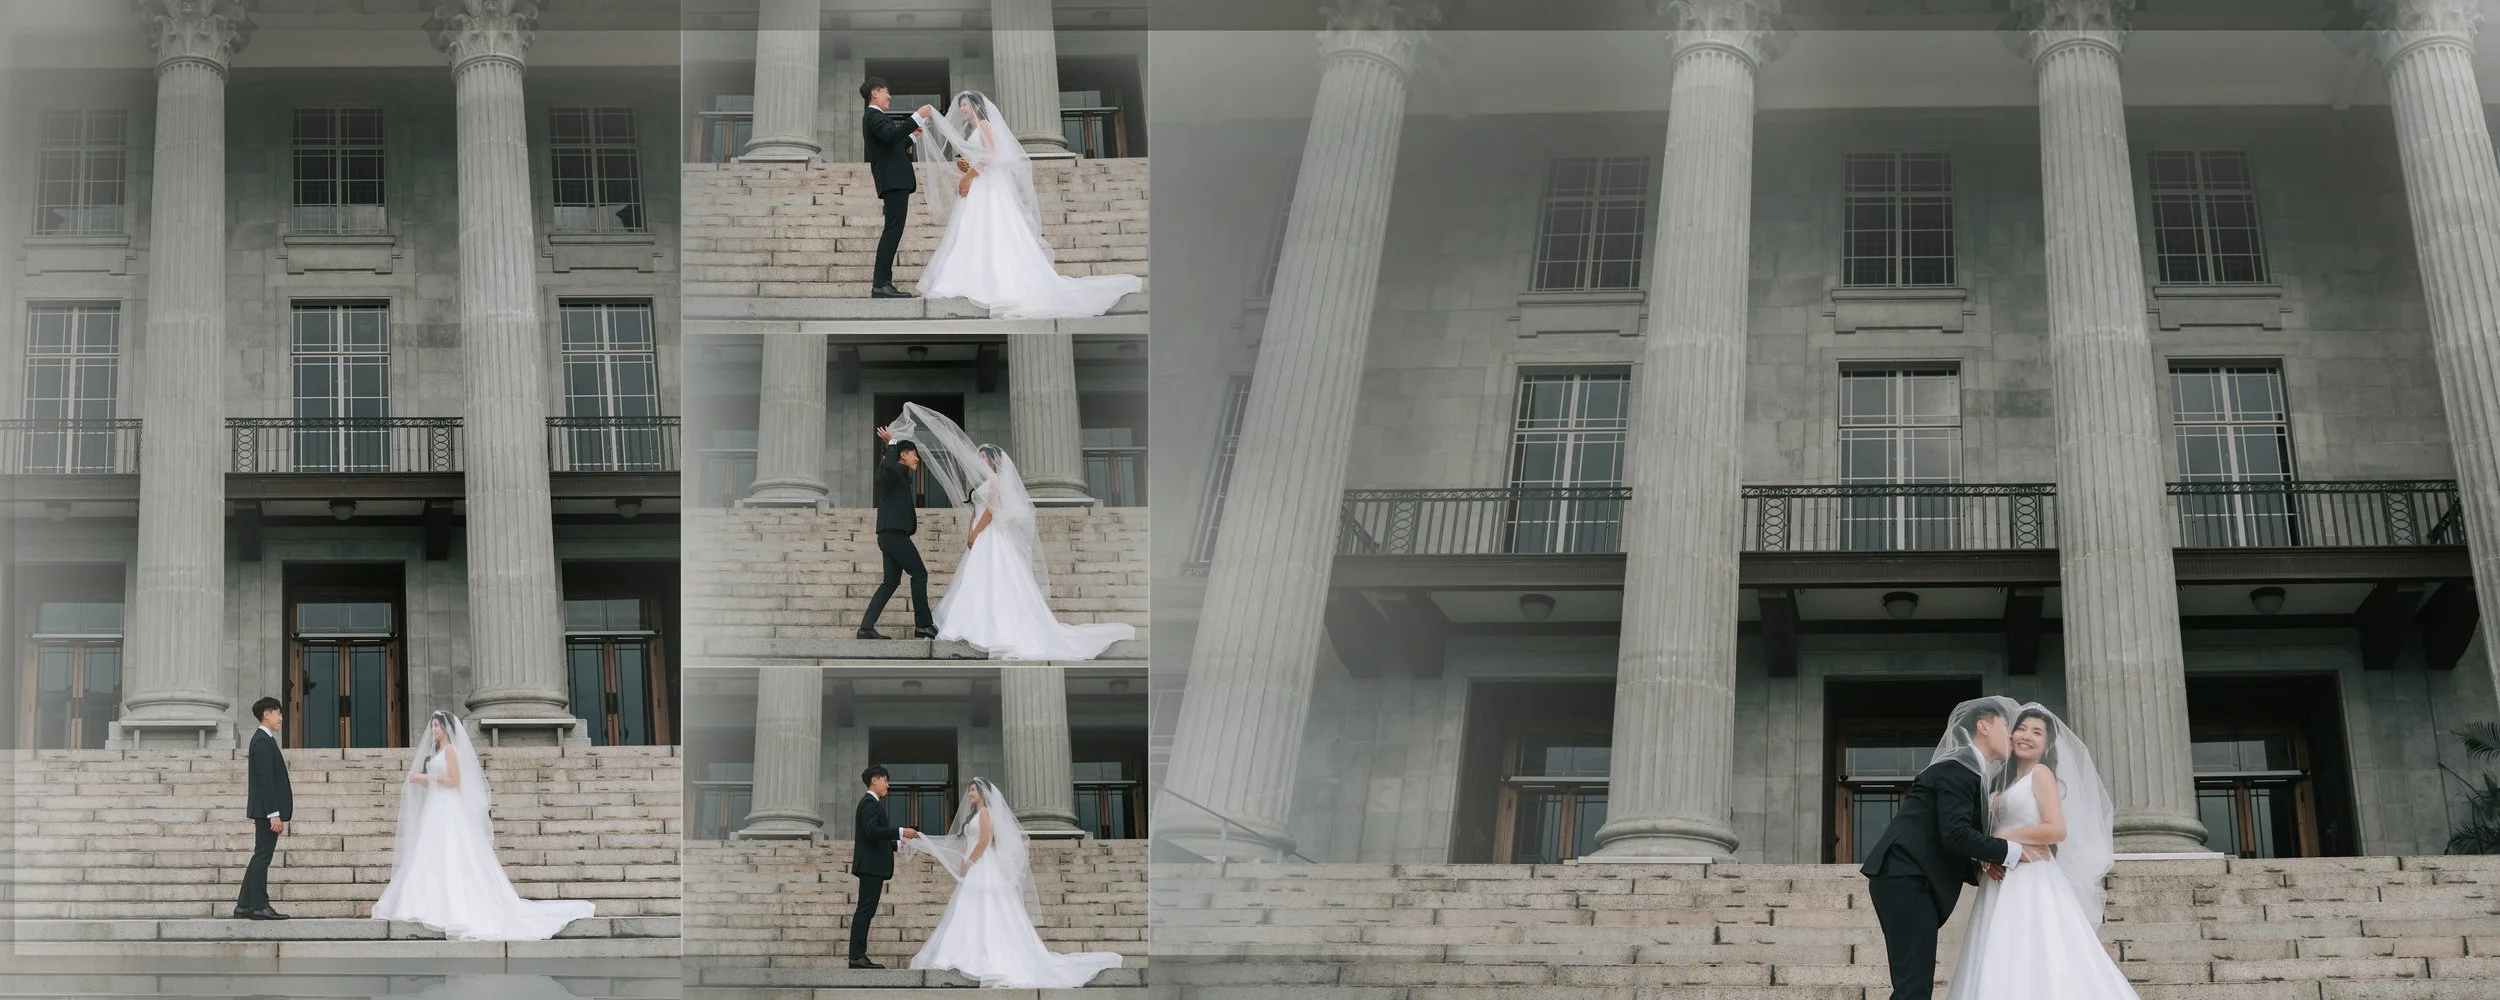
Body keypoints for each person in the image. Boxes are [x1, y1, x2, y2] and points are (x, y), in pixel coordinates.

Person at [885, 402, 1136, 660]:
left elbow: (991, 510)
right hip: (981, 536)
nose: (978, 460)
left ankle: (995, 628)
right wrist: (971, 529)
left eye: (983, 456)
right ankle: (972, 623)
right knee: (976, 581)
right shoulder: (984, 482)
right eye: (979, 456)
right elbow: (976, 508)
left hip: (991, 536)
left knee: (994, 580)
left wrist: (975, 533)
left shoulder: (995, 481)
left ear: (992, 461)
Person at [1944, 704, 2136, 1000]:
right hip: (2003, 876)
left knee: (2036, 945)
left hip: (2033, 873)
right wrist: (1987, 852)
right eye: (2021, 729)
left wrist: (2002, 836)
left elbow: (2056, 830)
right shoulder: (2002, 781)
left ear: (2047, 745)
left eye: (2036, 733)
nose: (2025, 736)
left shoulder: (2041, 773)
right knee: (2000, 946)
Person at [909, 90, 1143, 319]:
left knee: (994, 228)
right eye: (961, 105)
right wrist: (966, 167)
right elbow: (980, 158)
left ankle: (997, 282)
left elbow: (992, 156)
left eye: (966, 105)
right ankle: (967, 278)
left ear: (977, 107)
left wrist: (968, 176)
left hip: (988, 187)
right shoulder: (974, 130)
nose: (962, 109)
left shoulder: (986, 127)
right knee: (973, 230)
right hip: (981, 184)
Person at [1859, 696, 2029, 1000]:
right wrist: (2011, 851)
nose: (2014, 735)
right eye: (2007, 726)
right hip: (1906, 878)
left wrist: (1980, 860)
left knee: (1914, 986)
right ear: (1984, 726)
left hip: (1909, 879)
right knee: (1914, 987)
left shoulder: (1968, 770)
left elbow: (1943, 833)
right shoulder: (1957, 768)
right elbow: (1955, 833)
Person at [371, 711, 596, 940]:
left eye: (436, 726)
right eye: (433, 727)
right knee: (431, 853)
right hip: (436, 808)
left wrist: (426, 777)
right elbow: (441, 786)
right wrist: (421, 782)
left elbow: (455, 782)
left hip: (449, 809)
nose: (433, 730)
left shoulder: (450, 751)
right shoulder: (439, 752)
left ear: (446, 729)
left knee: (451, 852)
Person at [904, 778, 1125, 988]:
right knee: (970, 909)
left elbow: (984, 840)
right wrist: (965, 857)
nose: (969, 793)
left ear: (982, 793)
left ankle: (988, 955)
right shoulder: (975, 814)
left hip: (982, 865)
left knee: (987, 908)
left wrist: (969, 861)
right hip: (975, 866)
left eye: (973, 790)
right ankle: (964, 951)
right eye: (970, 790)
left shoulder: (986, 813)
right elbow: (970, 841)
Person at [858, 427, 939, 640]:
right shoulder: (892, 472)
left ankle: (866, 628)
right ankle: (924, 625)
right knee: (919, 573)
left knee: (891, 582)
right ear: (903, 454)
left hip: (891, 535)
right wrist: (892, 444)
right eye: (914, 454)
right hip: (893, 534)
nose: (918, 459)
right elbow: (885, 471)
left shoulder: (900, 475)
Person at [860, 77, 935, 299]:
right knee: (892, 231)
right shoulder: (873, 116)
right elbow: (891, 136)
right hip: (892, 180)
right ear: (875, 93)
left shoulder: (877, 118)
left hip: (896, 180)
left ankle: (884, 282)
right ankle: (881, 284)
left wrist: (912, 135)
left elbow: (894, 144)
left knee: (894, 231)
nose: (889, 97)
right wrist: (916, 116)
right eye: (886, 92)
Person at [850, 765, 920, 969]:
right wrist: (900, 831)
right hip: (871, 867)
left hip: (873, 866)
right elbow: (872, 832)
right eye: (885, 780)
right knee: (865, 910)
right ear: (875, 780)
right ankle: (857, 956)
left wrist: (899, 844)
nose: (888, 785)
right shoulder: (869, 804)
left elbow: (875, 838)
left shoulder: (872, 804)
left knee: (866, 910)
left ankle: (858, 955)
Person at [234, 697, 292, 920]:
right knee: (262, 858)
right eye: (278, 713)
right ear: (266, 714)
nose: (281, 718)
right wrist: (273, 814)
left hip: (265, 810)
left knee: (260, 856)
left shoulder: (265, 740)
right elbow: (265, 780)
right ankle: (259, 905)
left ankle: (244, 905)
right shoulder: (261, 741)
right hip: (266, 811)